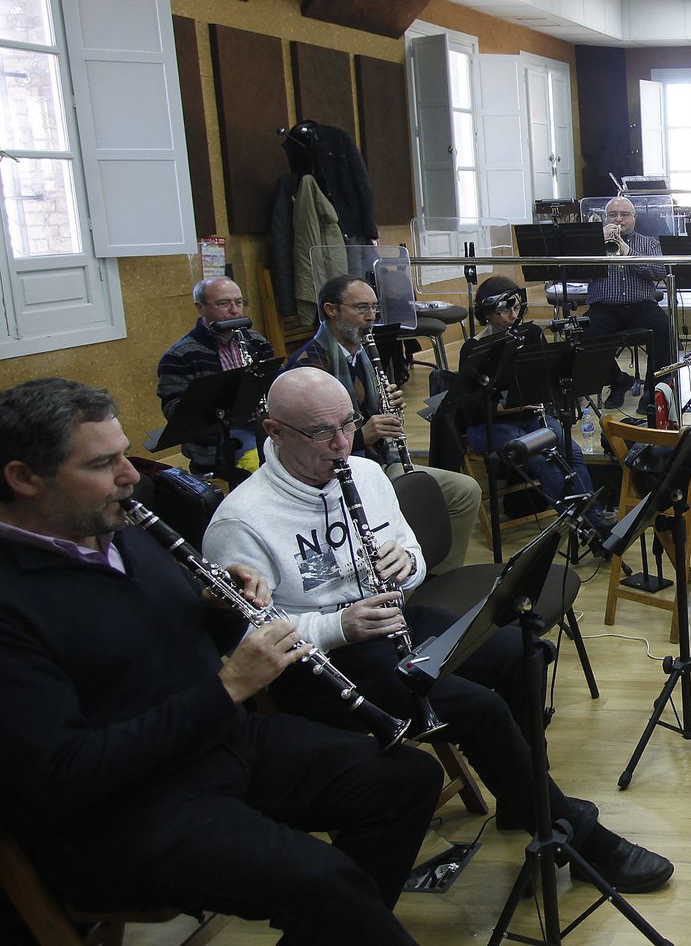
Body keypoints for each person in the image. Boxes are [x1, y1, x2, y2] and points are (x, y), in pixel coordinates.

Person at [0, 377, 442, 945]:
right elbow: (62, 775)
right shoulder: (14, 601)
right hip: (124, 810)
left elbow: (152, 632)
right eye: (103, 463)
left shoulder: (117, 532)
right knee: (327, 882)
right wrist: (229, 687)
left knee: (406, 780)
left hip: (219, 744)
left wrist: (216, 603)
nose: (132, 474)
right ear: (23, 478)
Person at [203, 367, 673, 893]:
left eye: (347, 424)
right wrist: (339, 625)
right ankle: (575, 833)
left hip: (395, 620)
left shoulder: (364, 472)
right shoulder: (240, 522)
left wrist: (406, 562)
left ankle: (524, 801)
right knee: (480, 708)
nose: (341, 443)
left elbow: (416, 557)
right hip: (326, 662)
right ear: (274, 431)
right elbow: (254, 641)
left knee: (526, 653)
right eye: (320, 432)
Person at [286, 275, 482, 574]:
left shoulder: (362, 355)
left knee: (465, 490)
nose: (371, 317)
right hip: (337, 477)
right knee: (409, 502)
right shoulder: (308, 367)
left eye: (374, 308)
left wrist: (387, 406)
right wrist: (364, 435)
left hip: (379, 462)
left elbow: (370, 412)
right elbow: (308, 445)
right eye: (361, 308)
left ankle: (436, 576)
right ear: (331, 310)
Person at [457, 275, 613, 539]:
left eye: (517, 307)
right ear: (487, 311)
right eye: (506, 308)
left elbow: (545, 378)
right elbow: (470, 407)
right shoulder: (473, 349)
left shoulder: (528, 335)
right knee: (542, 457)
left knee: (570, 450)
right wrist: (509, 406)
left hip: (528, 416)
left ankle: (591, 519)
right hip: (490, 425)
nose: (514, 314)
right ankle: (588, 525)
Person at [155, 276, 274, 478]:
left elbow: (274, 385)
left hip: (262, 424)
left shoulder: (256, 342)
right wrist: (219, 398)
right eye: (223, 303)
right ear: (199, 307)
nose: (235, 310)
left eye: (238, 302)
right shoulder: (180, 356)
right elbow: (175, 412)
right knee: (256, 462)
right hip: (217, 438)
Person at [589, 197, 673, 410]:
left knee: (664, 329)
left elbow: (659, 271)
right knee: (585, 335)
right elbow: (577, 274)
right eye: (612, 215)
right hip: (604, 307)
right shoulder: (592, 243)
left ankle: (653, 393)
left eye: (624, 215)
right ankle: (618, 381)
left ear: (634, 217)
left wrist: (627, 252)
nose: (618, 220)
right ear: (605, 218)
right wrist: (597, 245)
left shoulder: (649, 243)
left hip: (641, 306)